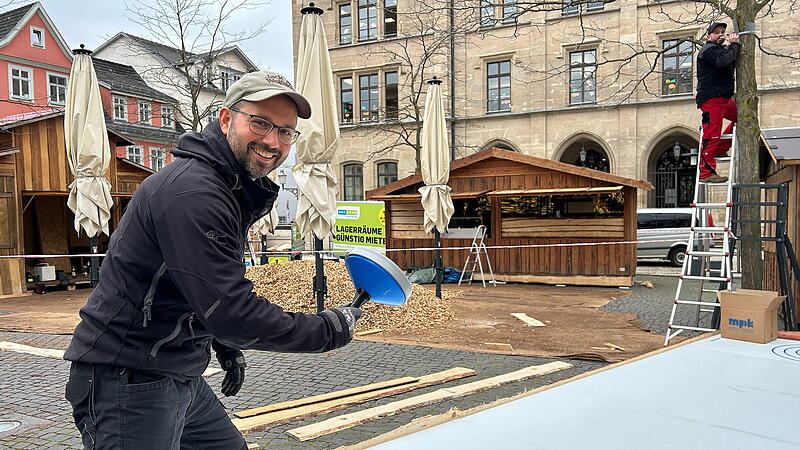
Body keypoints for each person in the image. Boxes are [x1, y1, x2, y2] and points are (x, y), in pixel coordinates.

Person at [63, 71, 362, 449]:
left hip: (176, 368)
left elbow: (195, 287)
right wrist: (326, 330)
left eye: (286, 131)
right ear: (225, 120)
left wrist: (223, 345)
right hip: (129, 374)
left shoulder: (227, 187)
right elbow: (232, 312)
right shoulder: (194, 193)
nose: (273, 141)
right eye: (260, 123)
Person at [696, 21, 740, 183]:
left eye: (723, 31)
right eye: (717, 32)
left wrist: (732, 48)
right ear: (709, 36)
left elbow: (727, 60)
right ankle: (706, 173)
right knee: (711, 135)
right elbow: (722, 61)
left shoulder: (719, 50)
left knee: (740, 117)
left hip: (723, 98)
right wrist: (734, 45)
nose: (721, 34)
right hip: (712, 99)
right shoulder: (709, 49)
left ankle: (720, 149)